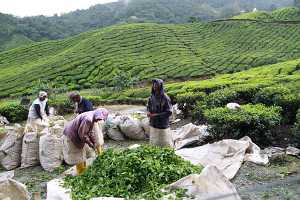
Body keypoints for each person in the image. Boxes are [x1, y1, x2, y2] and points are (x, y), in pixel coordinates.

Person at [63, 108, 109, 175]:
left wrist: (94, 142)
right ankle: (81, 172)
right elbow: (83, 135)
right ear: (97, 114)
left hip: (77, 134)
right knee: (77, 155)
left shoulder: (92, 116)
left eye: (101, 119)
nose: (99, 120)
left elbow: (90, 132)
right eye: (99, 118)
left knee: (82, 153)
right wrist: (91, 144)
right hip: (71, 136)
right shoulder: (88, 119)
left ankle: (83, 170)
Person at [147, 79, 173, 147]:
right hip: (153, 123)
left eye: (156, 85)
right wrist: (148, 112)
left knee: (164, 143)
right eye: (153, 84)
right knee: (154, 142)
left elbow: (169, 112)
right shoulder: (151, 97)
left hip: (162, 124)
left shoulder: (165, 98)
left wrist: (156, 115)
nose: (154, 86)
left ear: (160, 86)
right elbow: (148, 106)